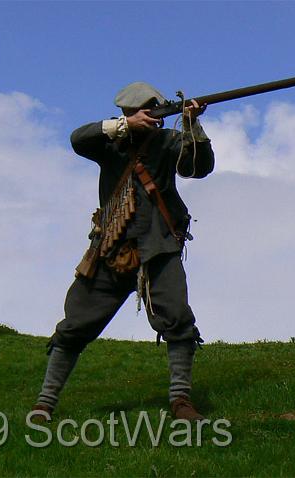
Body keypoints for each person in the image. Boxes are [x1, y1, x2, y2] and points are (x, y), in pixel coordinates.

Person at [32, 81, 214, 421]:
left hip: (158, 246)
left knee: (177, 319)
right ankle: (44, 404)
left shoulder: (169, 141)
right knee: (74, 326)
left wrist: (192, 126)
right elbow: (77, 138)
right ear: (129, 113)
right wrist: (124, 127)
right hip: (111, 248)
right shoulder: (109, 144)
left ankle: (180, 401)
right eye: (139, 111)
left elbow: (198, 168)